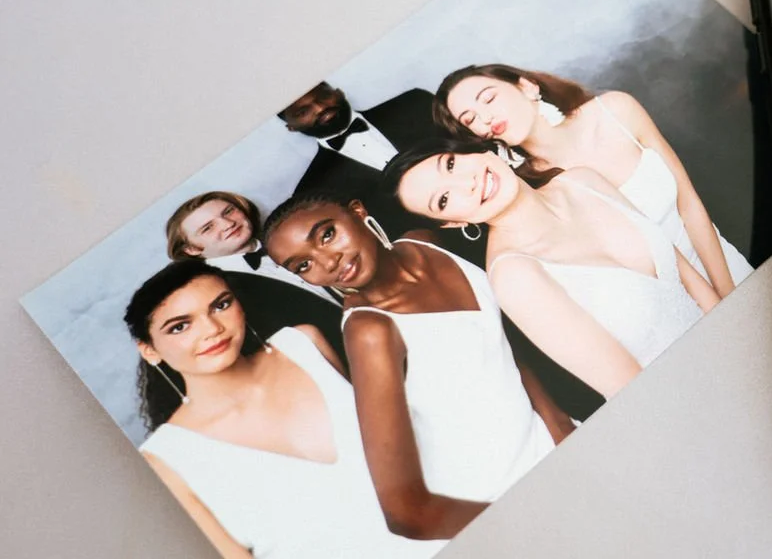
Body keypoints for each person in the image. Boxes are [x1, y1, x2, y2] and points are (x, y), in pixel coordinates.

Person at [261, 192, 572, 531]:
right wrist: (519, 524)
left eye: (327, 234)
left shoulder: (425, 242)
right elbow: (404, 513)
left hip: (549, 443)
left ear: (357, 209)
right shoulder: (370, 330)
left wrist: (560, 428)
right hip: (497, 492)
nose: (328, 262)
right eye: (303, 266)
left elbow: (501, 348)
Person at [126, 260, 445, 557]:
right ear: (150, 351)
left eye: (221, 305)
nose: (212, 329)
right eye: (180, 326)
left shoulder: (304, 343)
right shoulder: (165, 458)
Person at [384, 138, 720, 399]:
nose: (466, 183)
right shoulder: (515, 276)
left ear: (478, 151)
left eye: (451, 164)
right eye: (443, 199)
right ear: (453, 222)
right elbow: (629, 386)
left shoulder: (583, 180)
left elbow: (690, 278)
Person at [433, 64, 750, 297]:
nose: (485, 118)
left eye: (488, 98)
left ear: (527, 86)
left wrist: (728, 292)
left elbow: (689, 205)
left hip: (723, 266)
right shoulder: (530, 190)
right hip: (668, 303)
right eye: (470, 120)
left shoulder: (615, 110)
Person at [280, 83, 469, 256]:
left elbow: (472, 146)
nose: (321, 108)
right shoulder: (313, 189)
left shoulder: (413, 103)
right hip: (440, 257)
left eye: (322, 96)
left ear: (337, 91)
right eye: (302, 112)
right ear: (291, 127)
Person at [165, 191, 345, 359]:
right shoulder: (215, 292)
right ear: (192, 249)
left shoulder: (290, 240)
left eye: (229, 211)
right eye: (208, 228)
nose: (228, 224)